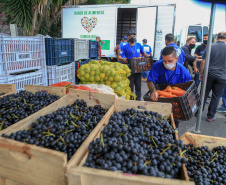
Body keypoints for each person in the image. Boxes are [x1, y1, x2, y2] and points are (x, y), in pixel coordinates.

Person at [199, 32, 226, 122]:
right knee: (216, 97)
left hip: (209, 74)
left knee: (204, 94)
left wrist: (201, 73)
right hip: (222, 76)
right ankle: (210, 116)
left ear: (217, 37)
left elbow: (203, 62)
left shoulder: (210, 46)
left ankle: (198, 112)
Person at [118, 29, 149, 101]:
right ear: (128, 37)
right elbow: (119, 56)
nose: (133, 37)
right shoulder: (125, 46)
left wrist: (148, 57)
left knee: (138, 86)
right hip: (130, 69)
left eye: (134, 36)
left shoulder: (138, 45)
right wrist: (123, 59)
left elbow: (143, 53)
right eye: (131, 36)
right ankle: (131, 100)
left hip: (138, 69)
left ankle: (138, 100)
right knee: (130, 86)